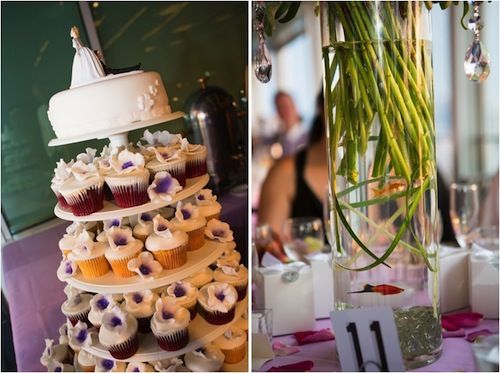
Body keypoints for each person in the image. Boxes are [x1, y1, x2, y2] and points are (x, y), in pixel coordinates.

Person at [258, 93, 326, 237]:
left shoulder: (304, 136)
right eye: (280, 107)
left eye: (287, 106)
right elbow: (267, 245)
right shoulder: (284, 166)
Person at [272, 91, 309, 156]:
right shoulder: (276, 139)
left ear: (294, 106)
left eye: (286, 106)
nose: (283, 110)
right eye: (280, 107)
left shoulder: (308, 137)